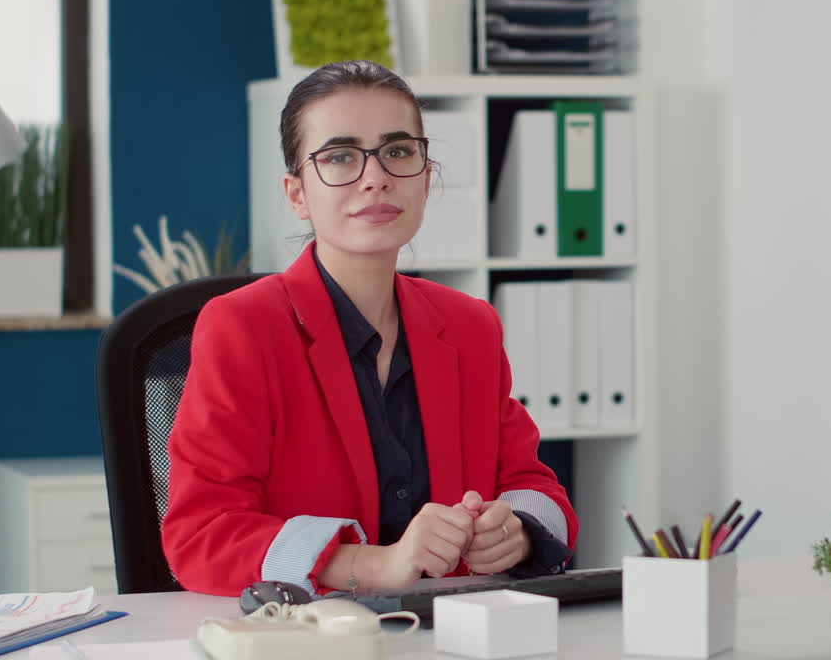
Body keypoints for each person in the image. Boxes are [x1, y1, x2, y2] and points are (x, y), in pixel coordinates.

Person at [161, 60, 577, 597]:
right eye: (340, 156)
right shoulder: (242, 327)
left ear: (425, 179)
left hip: (451, 633)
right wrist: (375, 565)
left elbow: (531, 483)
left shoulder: (469, 326)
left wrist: (515, 533)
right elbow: (202, 534)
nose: (375, 175)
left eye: (399, 151)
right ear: (297, 195)